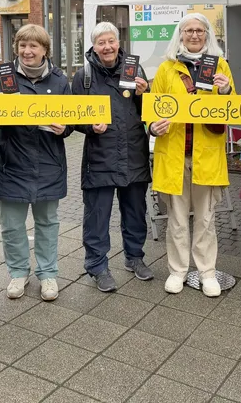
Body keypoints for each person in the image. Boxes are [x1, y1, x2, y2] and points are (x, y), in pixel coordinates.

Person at [148, 13, 235, 298]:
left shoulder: (221, 66)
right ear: (180, 35)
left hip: (206, 155)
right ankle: (177, 270)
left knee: (206, 219)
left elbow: (232, 110)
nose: (194, 35)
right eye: (189, 31)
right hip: (174, 154)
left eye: (200, 30)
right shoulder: (166, 69)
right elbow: (152, 109)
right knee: (176, 218)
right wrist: (153, 126)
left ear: (207, 35)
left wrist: (225, 90)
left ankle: (207, 272)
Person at [0, 24, 73, 301]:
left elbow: (72, 119)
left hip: (48, 164)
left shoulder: (60, 81)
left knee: (48, 222)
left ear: (45, 50)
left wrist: (65, 128)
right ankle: (18, 272)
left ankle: (48, 274)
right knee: (11, 225)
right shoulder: (2, 77)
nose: (27, 51)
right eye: (22, 45)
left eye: (33, 46)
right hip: (11, 164)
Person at [71, 22, 153, 292]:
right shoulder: (83, 76)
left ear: (118, 43)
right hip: (100, 157)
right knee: (97, 217)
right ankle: (97, 266)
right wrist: (88, 126)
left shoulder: (136, 70)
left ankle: (135, 257)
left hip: (133, 155)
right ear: (93, 46)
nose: (107, 47)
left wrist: (146, 95)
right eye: (101, 42)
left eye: (111, 41)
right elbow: (73, 117)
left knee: (135, 213)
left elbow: (147, 113)